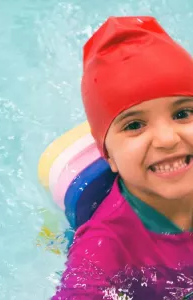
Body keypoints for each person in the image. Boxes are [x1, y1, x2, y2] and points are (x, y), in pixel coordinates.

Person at [52, 16, 193, 299]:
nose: (167, 139)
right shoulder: (104, 245)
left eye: (182, 114)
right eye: (134, 125)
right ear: (109, 156)